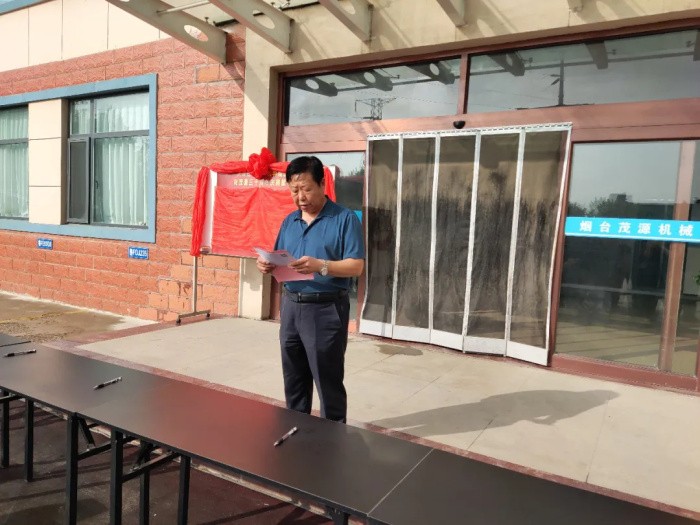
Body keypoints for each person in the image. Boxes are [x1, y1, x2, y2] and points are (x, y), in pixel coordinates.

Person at [256, 156, 364, 423]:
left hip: (326, 309)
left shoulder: (344, 219)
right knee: (294, 379)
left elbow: (356, 266)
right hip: (291, 307)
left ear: (322, 184)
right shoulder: (289, 221)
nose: (300, 197)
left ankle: (332, 438)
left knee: (328, 382)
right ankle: (296, 432)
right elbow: (279, 256)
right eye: (294, 191)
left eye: (306, 189)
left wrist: (321, 266)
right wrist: (266, 264)